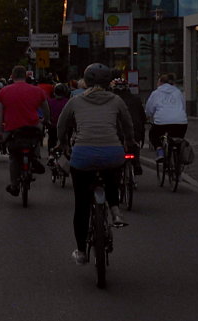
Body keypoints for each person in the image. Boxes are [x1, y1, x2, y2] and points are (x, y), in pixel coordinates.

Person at [57, 62, 135, 266]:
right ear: (108, 82)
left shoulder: (75, 100)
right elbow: (128, 125)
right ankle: (115, 210)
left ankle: (81, 251)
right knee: (112, 177)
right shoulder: (117, 100)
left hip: (83, 155)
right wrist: (128, 143)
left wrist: (63, 144)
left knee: (81, 205)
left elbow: (61, 125)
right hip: (113, 152)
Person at [0, 64, 50, 196]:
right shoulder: (37, 91)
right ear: (26, 76)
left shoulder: (3, 92)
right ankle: (35, 157)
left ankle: (14, 185)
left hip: (13, 129)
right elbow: (46, 110)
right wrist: (46, 120)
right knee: (36, 137)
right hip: (32, 127)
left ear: (12, 76)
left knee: (14, 157)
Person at [145, 72, 187, 156]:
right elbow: (183, 107)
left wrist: (148, 116)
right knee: (177, 139)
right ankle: (178, 156)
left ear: (161, 82)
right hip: (180, 122)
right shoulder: (178, 92)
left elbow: (149, 109)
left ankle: (160, 150)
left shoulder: (156, 93)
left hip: (161, 122)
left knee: (153, 135)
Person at [110, 79, 145, 174]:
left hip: (116, 131)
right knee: (135, 143)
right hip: (135, 129)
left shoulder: (111, 100)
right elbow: (142, 116)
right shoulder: (136, 99)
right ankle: (136, 162)